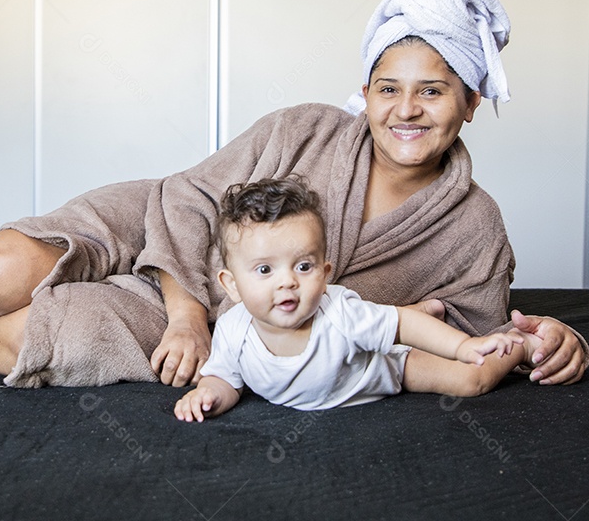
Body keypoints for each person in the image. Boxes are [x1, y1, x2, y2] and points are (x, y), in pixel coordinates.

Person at [0, 0, 589, 387]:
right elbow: (188, 193)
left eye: (433, 91)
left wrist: (560, 340)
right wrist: (184, 312)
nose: (406, 111)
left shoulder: (473, 226)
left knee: (38, 336)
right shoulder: (305, 128)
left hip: (253, 317)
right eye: (389, 88)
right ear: (366, 93)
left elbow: (485, 334)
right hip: (167, 233)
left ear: (471, 104)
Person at [174, 176, 540, 421]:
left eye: (303, 266)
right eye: (265, 271)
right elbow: (226, 379)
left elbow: (403, 325)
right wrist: (207, 397)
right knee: (384, 320)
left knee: (469, 381)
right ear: (232, 285)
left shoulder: (340, 315)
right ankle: (423, 310)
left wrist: (463, 347)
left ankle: (519, 345)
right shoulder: (233, 330)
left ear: (325, 273)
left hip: (384, 369)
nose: (287, 283)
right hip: (362, 338)